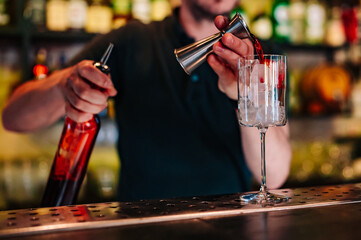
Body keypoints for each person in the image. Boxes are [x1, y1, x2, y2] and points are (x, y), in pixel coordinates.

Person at [2, 0, 292, 201]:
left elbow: (275, 175)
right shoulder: (133, 41)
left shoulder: (259, 56)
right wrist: (65, 85)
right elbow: (13, 117)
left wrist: (243, 94)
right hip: (141, 227)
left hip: (230, 226)